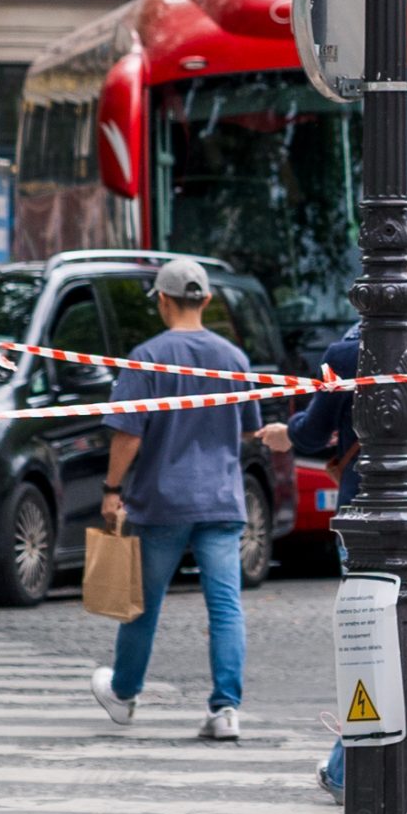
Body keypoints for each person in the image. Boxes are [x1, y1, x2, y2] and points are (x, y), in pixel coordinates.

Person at [260, 239, 407, 803]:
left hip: (364, 523)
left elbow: (311, 433)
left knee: (385, 646)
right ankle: (342, 769)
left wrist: (286, 435)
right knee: (384, 641)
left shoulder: (348, 354)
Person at [89, 258, 261, 741]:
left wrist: (111, 490)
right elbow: (248, 429)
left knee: (143, 604)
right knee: (225, 606)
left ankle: (123, 695)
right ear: (205, 300)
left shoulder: (147, 357)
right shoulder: (235, 359)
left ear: (163, 301)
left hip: (162, 500)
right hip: (222, 501)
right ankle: (225, 709)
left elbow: (127, 435)